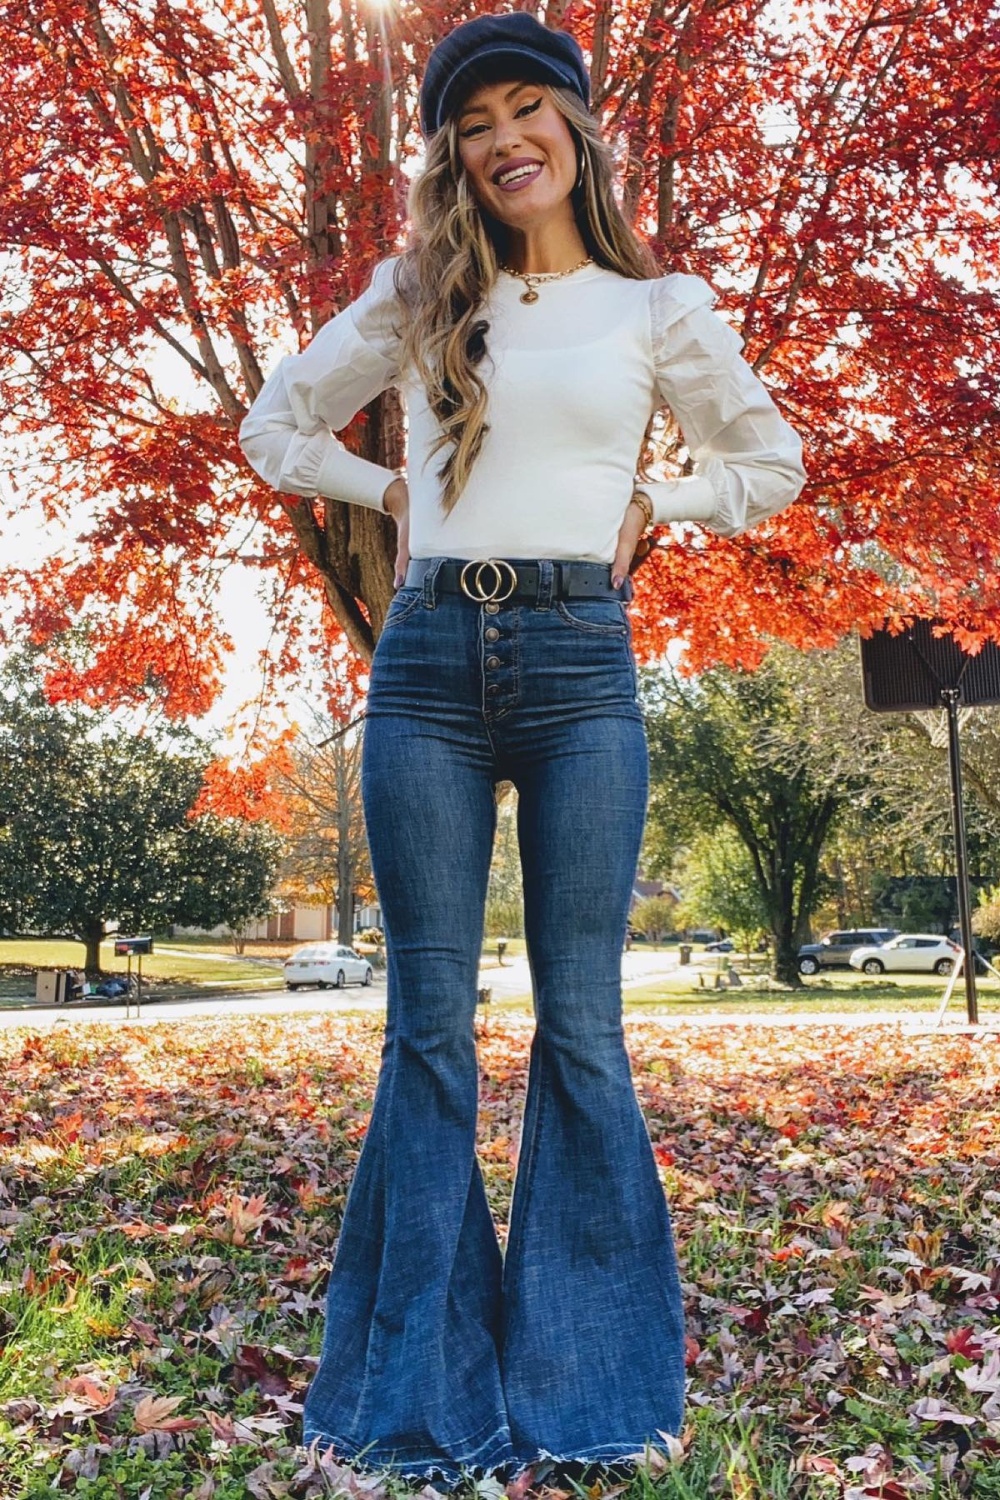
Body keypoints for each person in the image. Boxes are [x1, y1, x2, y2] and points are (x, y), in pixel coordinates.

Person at [239, 12, 806, 1490]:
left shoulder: (656, 307)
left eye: (523, 108)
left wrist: (658, 510)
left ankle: (590, 1390)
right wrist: (394, 495)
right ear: (454, 153)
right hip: (425, 664)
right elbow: (275, 421)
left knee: (584, 1028)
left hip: (576, 667)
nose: (502, 140)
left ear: (576, 124)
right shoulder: (418, 293)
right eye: (472, 121)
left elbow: (770, 462)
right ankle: (418, 1398)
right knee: (425, 1032)